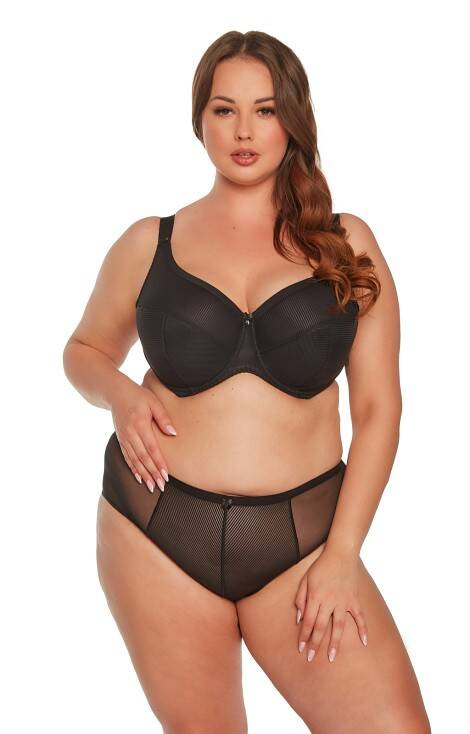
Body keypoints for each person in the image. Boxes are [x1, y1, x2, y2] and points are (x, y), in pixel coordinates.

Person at [63, 30, 431, 734]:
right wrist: (121, 395)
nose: (243, 131)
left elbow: (379, 410)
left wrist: (343, 555)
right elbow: (83, 351)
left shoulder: (345, 243)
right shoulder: (150, 242)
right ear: (198, 118)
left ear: (292, 119)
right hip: (155, 531)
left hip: (304, 545)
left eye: (264, 110)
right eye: (224, 109)